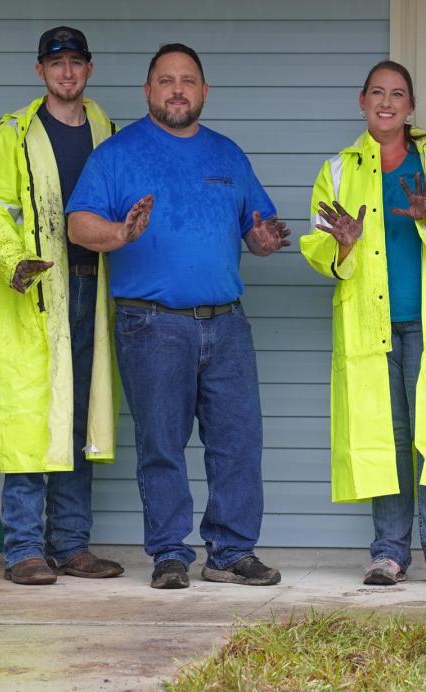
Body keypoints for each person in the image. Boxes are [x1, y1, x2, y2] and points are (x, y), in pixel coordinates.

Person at [67, 43, 290, 590]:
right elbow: (77, 226)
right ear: (148, 91)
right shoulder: (117, 154)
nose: (177, 90)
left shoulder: (227, 154)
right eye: (165, 80)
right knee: (162, 443)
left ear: (204, 91)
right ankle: (170, 552)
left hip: (226, 322)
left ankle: (231, 552)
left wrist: (263, 240)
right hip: (152, 324)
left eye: (187, 80)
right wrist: (120, 233)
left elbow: (256, 229)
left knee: (237, 442)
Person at [300, 61, 426, 589]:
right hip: (370, 326)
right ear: (362, 101)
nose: (387, 102)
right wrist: (342, 244)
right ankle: (388, 553)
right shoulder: (338, 169)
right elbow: (314, 245)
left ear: (411, 106)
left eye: (398, 94)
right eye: (377, 93)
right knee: (385, 438)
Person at [0, 27, 124, 586]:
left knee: (80, 415)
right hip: (36, 293)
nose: (66, 71)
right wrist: (17, 260)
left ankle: (71, 544)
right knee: (31, 416)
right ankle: (23, 551)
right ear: (40, 71)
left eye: (76, 62)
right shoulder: (14, 133)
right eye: (56, 62)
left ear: (89, 68)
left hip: (93, 287)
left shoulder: (107, 129)